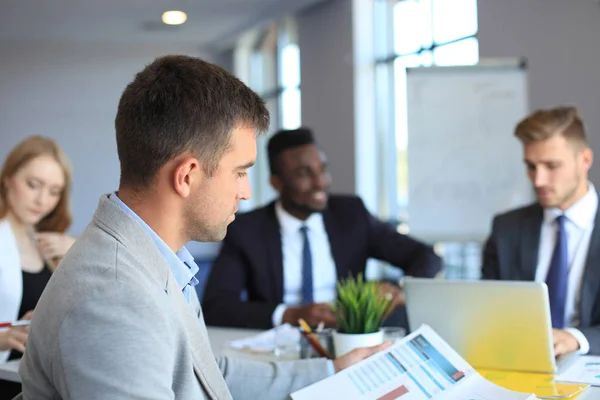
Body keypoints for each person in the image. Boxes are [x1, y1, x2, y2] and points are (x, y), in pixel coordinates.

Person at [17, 55, 390, 400]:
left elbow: (205, 372)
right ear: (188, 176)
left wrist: (332, 372)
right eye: (240, 172)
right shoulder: (114, 298)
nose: (245, 192)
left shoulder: (155, 255)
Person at [202, 128, 442, 330]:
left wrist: (400, 288)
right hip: (281, 344)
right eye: (303, 173)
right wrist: (290, 315)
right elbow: (217, 306)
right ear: (277, 183)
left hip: (346, 335)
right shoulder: (247, 229)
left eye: (322, 169)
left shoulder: (351, 214)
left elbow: (426, 256)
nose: (320, 182)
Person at [482, 106, 600, 356]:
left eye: (552, 166)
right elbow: (488, 311)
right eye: (531, 166)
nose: (538, 180)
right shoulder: (506, 229)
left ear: (585, 160)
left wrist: (576, 338)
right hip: (519, 362)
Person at [0, 136, 74, 397]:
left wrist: (75, 252)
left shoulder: (52, 246)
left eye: (54, 191)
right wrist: (3, 339)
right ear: (8, 178)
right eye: (33, 185)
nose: (43, 200)